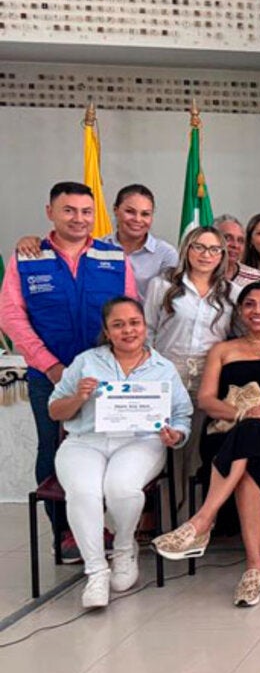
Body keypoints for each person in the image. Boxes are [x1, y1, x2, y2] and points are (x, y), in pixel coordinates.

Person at [152, 282, 260, 608]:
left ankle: (201, 522)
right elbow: (206, 400)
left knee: (254, 438)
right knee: (252, 448)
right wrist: (246, 414)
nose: (257, 311)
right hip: (229, 431)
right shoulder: (223, 350)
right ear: (240, 311)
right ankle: (254, 569)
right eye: (250, 305)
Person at [0, 181, 138, 563]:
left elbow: (129, 312)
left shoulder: (113, 257)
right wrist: (51, 365)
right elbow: (12, 317)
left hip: (107, 378)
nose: (79, 219)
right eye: (69, 211)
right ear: (50, 212)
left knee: (107, 451)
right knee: (54, 449)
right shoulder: (27, 258)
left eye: (86, 211)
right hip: (50, 377)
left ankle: (100, 527)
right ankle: (65, 533)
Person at [51, 297, 191, 607]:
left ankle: (125, 546)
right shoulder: (86, 361)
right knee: (83, 493)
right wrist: (78, 397)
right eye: (119, 325)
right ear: (107, 330)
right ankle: (97, 572)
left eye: (134, 323)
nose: (128, 330)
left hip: (140, 441)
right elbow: (54, 410)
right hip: (85, 441)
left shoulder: (162, 368)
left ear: (145, 326)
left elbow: (182, 415)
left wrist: (175, 434)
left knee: (121, 488)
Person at [145, 227, 237, 486]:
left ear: (222, 255)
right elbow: (148, 330)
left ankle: (193, 519)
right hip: (165, 374)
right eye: (199, 247)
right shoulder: (162, 285)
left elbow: (242, 335)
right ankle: (161, 518)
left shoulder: (230, 292)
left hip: (208, 378)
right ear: (187, 249)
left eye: (214, 249)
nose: (206, 255)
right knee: (163, 445)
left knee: (197, 449)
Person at [14, 185, 178, 300]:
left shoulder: (166, 254)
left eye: (145, 214)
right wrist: (33, 241)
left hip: (149, 334)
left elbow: (170, 301)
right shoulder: (96, 248)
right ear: (115, 210)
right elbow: (65, 243)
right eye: (130, 211)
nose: (137, 219)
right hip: (101, 332)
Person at [214, 214, 260, 290]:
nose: (235, 245)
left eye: (240, 240)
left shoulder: (257, 280)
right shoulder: (197, 277)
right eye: (227, 238)